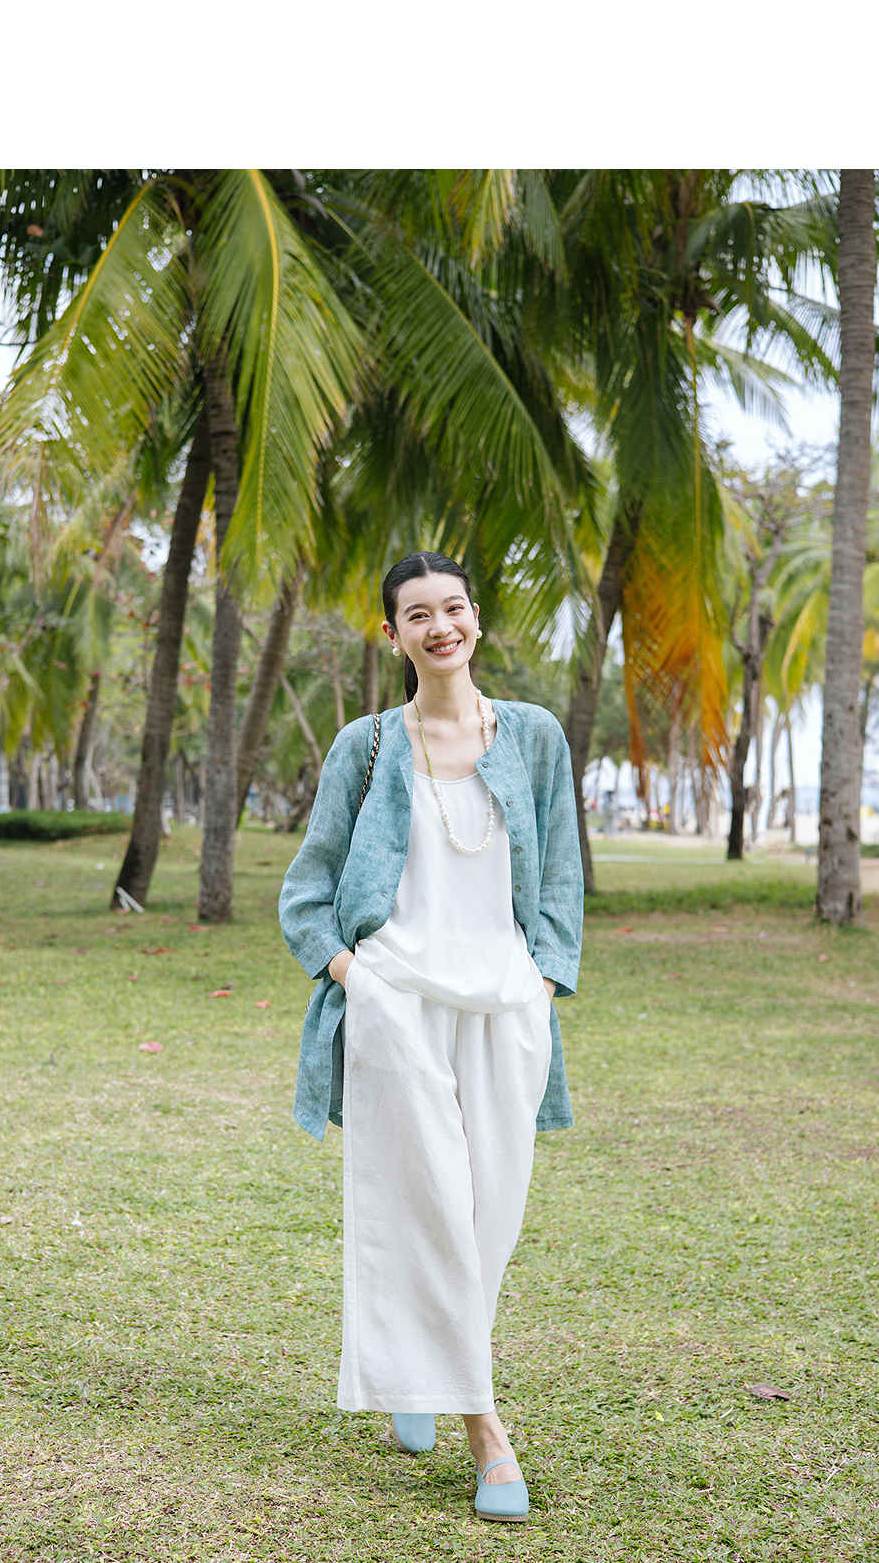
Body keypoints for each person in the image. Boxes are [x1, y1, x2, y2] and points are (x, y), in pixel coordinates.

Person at [278, 551, 583, 1523]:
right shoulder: (366, 746)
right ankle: (487, 1431)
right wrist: (357, 980)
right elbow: (306, 890)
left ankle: (417, 1370)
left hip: (504, 1005)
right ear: (393, 634)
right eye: (419, 614)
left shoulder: (532, 736)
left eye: (453, 607)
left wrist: (542, 980)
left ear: (476, 618)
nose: (440, 626)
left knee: (490, 1215)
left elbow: (562, 873)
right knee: (431, 1208)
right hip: (398, 1004)